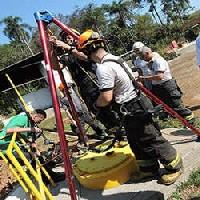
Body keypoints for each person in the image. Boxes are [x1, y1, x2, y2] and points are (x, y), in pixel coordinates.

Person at [77, 29, 183, 185]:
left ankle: (174, 167)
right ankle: (148, 170)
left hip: (133, 106)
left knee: (151, 138)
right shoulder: (115, 59)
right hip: (134, 104)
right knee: (136, 141)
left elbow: (106, 97)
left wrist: (96, 105)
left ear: (87, 50)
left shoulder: (103, 68)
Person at [50, 31, 121, 131]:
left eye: (69, 35)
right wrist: (51, 49)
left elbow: (86, 58)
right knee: (98, 112)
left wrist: (69, 48)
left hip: (95, 82)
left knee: (110, 108)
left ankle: (122, 129)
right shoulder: (66, 56)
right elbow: (56, 67)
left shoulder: (84, 47)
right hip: (84, 88)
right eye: (64, 37)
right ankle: (114, 131)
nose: (67, 38)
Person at [0, 109, 65, 184]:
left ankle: (52, 176)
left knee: (38, 158)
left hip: (15, 146)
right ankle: (48, 179)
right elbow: (9, 130)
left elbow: (30, 140)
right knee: (31, 159)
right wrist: (31, 129)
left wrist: (36, 151)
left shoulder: (30, 123)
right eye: (40, 120)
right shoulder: (23, 118)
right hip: (6, 148)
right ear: (36, 116)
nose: (39, 122)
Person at [139, 46, 194, 122]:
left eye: (142, 57)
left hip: (167, 85)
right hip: (160, 87)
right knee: (167, 106)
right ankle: (182, 122)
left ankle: (191, 121)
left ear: (147, 53)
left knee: (177, 106)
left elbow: (160, 76)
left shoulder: (158, 61)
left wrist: (144, 78)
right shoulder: (153, 60)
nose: (142, 59)